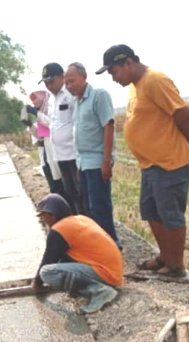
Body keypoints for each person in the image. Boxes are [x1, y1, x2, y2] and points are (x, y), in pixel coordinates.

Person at [96, 45, 189, 278]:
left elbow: (184, 114)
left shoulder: (155, 80)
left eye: (113, 72)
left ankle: (176, 266)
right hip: (150, 164)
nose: (113, 78)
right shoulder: (135, 86)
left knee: (170, 214)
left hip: (169, 162)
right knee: (151, 211)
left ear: (127, 63)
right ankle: (165, 255)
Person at [32, 193, 123, 313]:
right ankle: (91, 287)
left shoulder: (59, 230)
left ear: (52, 215)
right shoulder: (80, 219)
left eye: (43, 216)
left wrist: (37, 283)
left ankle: (99, 291)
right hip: (114, 270)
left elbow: (49, 260)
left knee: (47, 272)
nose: (42, 220)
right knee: (60, 266)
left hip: (106, 273)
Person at [64, 62, 121, 246]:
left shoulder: (98, 96)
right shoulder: (76, 102)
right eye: (67, 83)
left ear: (84, 77)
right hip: (82, 162)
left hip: (97, 161)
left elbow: (108, 126)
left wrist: (106, 160)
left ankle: (110, 244)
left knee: (100, 207)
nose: (69, 86)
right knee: (88, 207)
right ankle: (101, 244)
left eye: (72, 81)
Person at [27, 63, 83, 214]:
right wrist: (36, 116)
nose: (49, 86)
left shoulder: (70, 95)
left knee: (80, 194)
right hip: (59, 156)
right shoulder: (52, 99)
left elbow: (78, 121)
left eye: (51, 81)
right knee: (70, 193)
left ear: (61, 77)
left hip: (73, 153)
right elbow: (51, 124)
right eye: (45, 83)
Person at [27, 90, 64, 196]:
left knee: (63, 186)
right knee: (54, 188)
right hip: (46, 158)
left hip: (57, 155)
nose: (35, 106)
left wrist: (37, 114)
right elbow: (39, 138)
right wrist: (30, 124)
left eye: (37, 102)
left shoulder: (52, 112)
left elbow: (51, 125)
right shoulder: (39, 117)